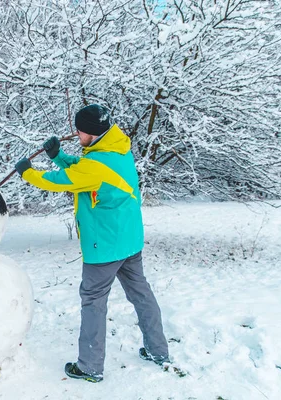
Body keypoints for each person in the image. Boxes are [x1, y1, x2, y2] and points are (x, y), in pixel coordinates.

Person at [14, 104, 169, 383]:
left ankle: (89, 366)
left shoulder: (96, 164)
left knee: (93, 301)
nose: (77, 133)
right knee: (141, 294)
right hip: (129, 240)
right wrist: (59, 156)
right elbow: (87, 169)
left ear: (92, 132)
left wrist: (28, 173)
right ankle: (158, 350)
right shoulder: (118, 148)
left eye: (80, 129)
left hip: (105, 247)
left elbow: (61, 182)